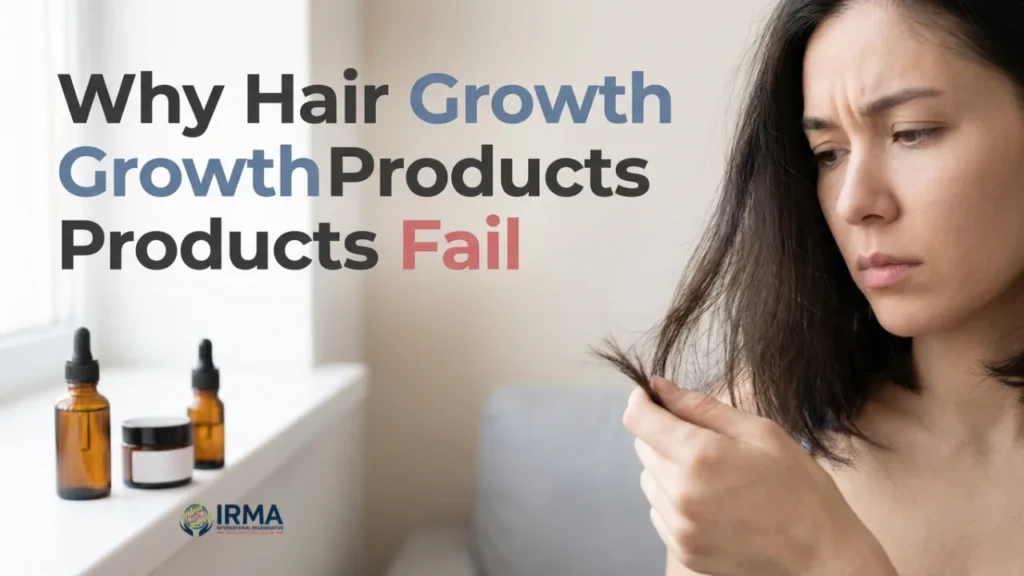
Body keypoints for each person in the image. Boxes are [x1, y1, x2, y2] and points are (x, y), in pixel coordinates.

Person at [601, 0, 1024, 574]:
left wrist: (825, 553)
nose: (854, 202)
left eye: (912, 133)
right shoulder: (761, 434)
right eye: (829, 154)